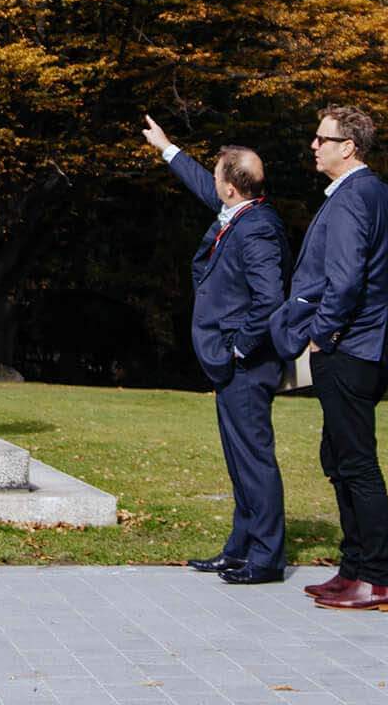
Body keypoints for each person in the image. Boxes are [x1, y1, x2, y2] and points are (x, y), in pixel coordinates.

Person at [270, 102, 388, 613]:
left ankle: (377, 579)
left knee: (356, 464)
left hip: (349, 350)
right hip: (369, 346)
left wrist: (322, 336)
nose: (313, 145)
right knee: (339, 459)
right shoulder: (382, 196)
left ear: (348, 147)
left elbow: (346, 279)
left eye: (321, 139)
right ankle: (352, 568)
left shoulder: (354, 198)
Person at [140, 115, 288, 584]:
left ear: (231, 188)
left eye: (219, 171)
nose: (214, 178)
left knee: (254, 460)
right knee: (239, 460)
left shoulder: (256, 229)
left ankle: (265, 560)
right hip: (232, 365)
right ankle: (239, 549)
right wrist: (166, 147)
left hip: (245, 365)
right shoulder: (239, 209)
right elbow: (205, 184)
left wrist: (239, 349)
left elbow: (270, 299)